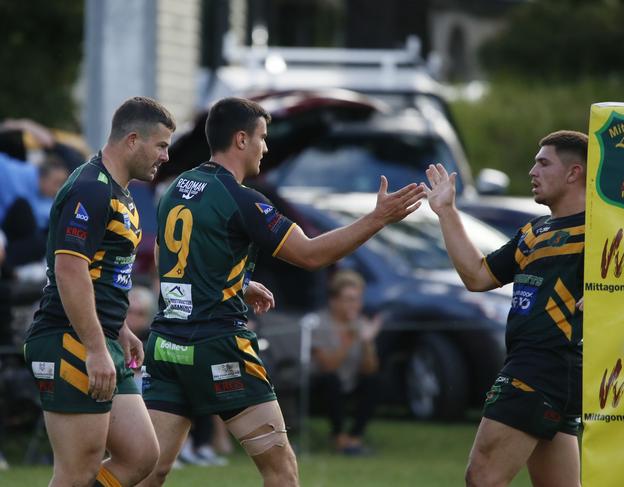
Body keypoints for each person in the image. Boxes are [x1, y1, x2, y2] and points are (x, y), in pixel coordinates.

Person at [139, 96, 424, 487]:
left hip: (166, 345)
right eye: (262, 137)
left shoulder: (175, 190)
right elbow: (310, 254)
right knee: (282, 472)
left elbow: (168, 258)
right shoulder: (243, 200)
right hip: (218, 345)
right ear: (241, 140)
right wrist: (378, 218)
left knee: (148, 472)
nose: (266, 147)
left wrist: (235, 282)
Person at [23, 96, 176, 487]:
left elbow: (102, 275)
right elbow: (70, 270)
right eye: (160, 145)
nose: (166, 156)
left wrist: (119, 328)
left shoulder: (119, 192)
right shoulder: (91, 188)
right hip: (69, 339)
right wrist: (94, 347)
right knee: (78, 471)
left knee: (142, 454)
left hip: (100, 337)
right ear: (132, 140)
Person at [422, 130, 586, 487]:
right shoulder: (534, 232)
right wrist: (447, 212)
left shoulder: (600, 234)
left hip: (541, 367)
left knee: (483, 477)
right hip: (552, 373)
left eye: (543, 163)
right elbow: (478, 276)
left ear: (574, 173)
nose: (532, 171)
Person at [310, 269, 382, 455]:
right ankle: (339, 437)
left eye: (357, 299)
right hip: (320, 385)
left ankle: (355, 437)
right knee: (330, 380)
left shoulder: (361, 323)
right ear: (334, 301)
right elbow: (328, 366)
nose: (355, 305)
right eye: (349, 299)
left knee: (373, 381)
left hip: (351, 381)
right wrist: (349, 337)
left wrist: (367, 342)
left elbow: (370, 368)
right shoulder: (320, 323)